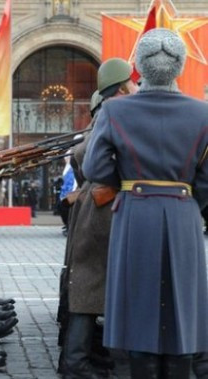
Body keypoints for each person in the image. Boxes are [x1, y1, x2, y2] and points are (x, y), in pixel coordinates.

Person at [83, 28, 208, 378]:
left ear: (137, 66)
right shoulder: (204, 114)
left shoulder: (115, 111)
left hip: (135, 212)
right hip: (184, 213)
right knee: (183, 302)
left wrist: (126, 178)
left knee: (139, 305)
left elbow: (94, 167)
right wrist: (188, 200)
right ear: (181, 66)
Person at [60, 59, 138, 378]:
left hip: (100, 206)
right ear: (121, 88)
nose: (137, 87)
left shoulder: (111, 112)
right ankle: (75, 362)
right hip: (102, 208)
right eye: (132, 83)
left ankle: (82, 357)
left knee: (94, 285)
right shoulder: (112, 113)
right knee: (91, 285)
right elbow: (84, 155)